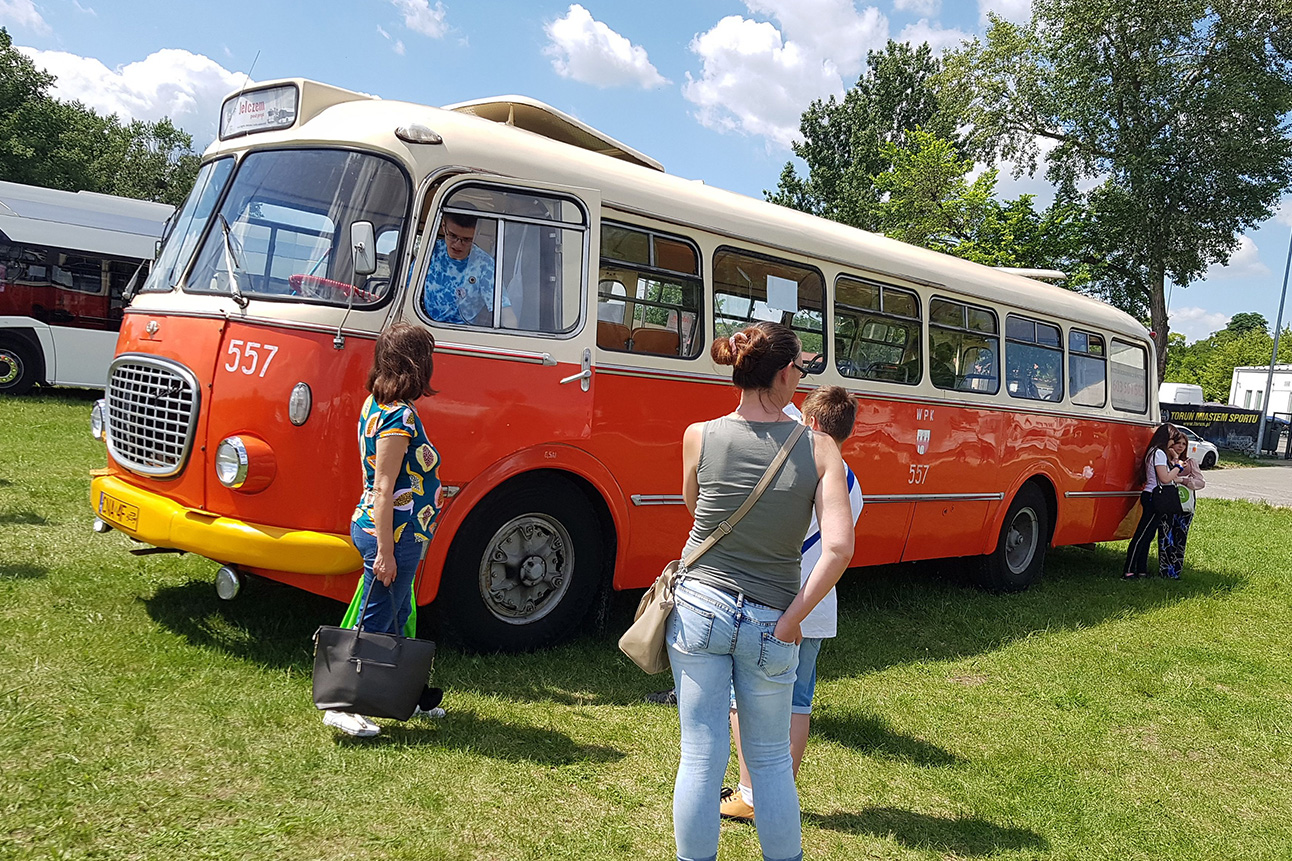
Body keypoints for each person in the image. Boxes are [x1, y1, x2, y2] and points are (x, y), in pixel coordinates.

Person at [668, 322, 854, 861]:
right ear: (783, 373)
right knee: (770, 760)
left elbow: (697, 509)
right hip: (773, 617)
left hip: (700, 605)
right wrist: (794, 620)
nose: (802, 378)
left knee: (700, 756)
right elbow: (838, 548)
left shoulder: (699, 434)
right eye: (801, 368)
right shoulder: (820, 449)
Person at [720, 385, 864, 823]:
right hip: (818, 604)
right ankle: (780, 792)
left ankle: (750, 794)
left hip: (777, 600)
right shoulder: (852, 482)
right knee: (799, 700)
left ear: (812, 423)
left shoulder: (800, 467)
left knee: (743, 696)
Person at [323, 323, 446, 738]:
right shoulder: (399, 416)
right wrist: (386, 552)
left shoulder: (376, 405)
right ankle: (342, 703)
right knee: (375, 621)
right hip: (393, 535)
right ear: (417, 364)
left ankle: (405, 692)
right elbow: (384, 487)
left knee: (397, 615)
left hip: (397, 533)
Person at [421, 210, 518, 327]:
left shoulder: (484, 265)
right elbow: (407, 292)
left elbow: (506, 314)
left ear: (476, 234)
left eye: (467, 239)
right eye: (453, 236)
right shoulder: (429, 252)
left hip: (462, 331)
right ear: (443, 226)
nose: (458, 244)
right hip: (424, 325)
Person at [1122, 422, 1178, 580]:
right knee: (1141, 535)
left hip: (1152, 495)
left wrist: (1174, 458)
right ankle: (1129, 570)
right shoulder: (1159, 453)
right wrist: (1178, 467)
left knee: (1148, 535)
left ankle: (1141, 569)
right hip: (1155, 496)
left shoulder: (1154, 451)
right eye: (1173, 439)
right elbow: (1165, 478)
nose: (1174, 443)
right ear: (1166, 438)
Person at [1158, 428, 1205, 579]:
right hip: (1168, 503)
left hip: (1185, 506)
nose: (1180, 446)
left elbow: (1200, 482)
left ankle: (1176, 571)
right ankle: (1164, 570)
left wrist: (1183, 480)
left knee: (1180, 537)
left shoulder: (1190, 462)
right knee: (1166, 536)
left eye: (1184, 444)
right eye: (1177, 443)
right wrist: (1175, 458)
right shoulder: (1165, 460)